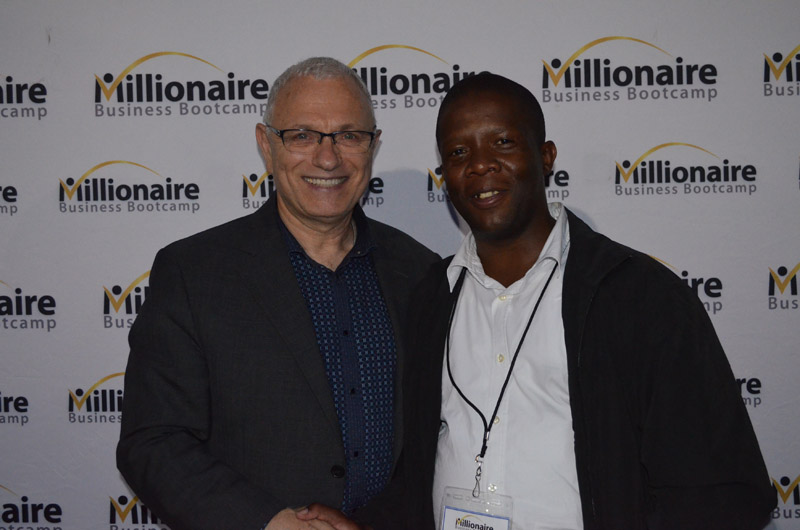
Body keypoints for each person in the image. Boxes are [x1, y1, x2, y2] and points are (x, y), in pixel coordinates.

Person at [395, 72, 776, 529]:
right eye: (458, 152)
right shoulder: (430, 297)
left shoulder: (642, 297)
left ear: (546, 156)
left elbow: (723, 491)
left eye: (503, 142)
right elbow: (410, 469)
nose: (480, 164)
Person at [116, 57, 437, 530]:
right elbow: (153, 441)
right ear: (266, 145)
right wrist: (266, 522)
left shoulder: (422, 272)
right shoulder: (194, 273)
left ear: (373, 145)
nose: (327, 158)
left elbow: (433, 442)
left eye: (349, 136)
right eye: (302, 135)